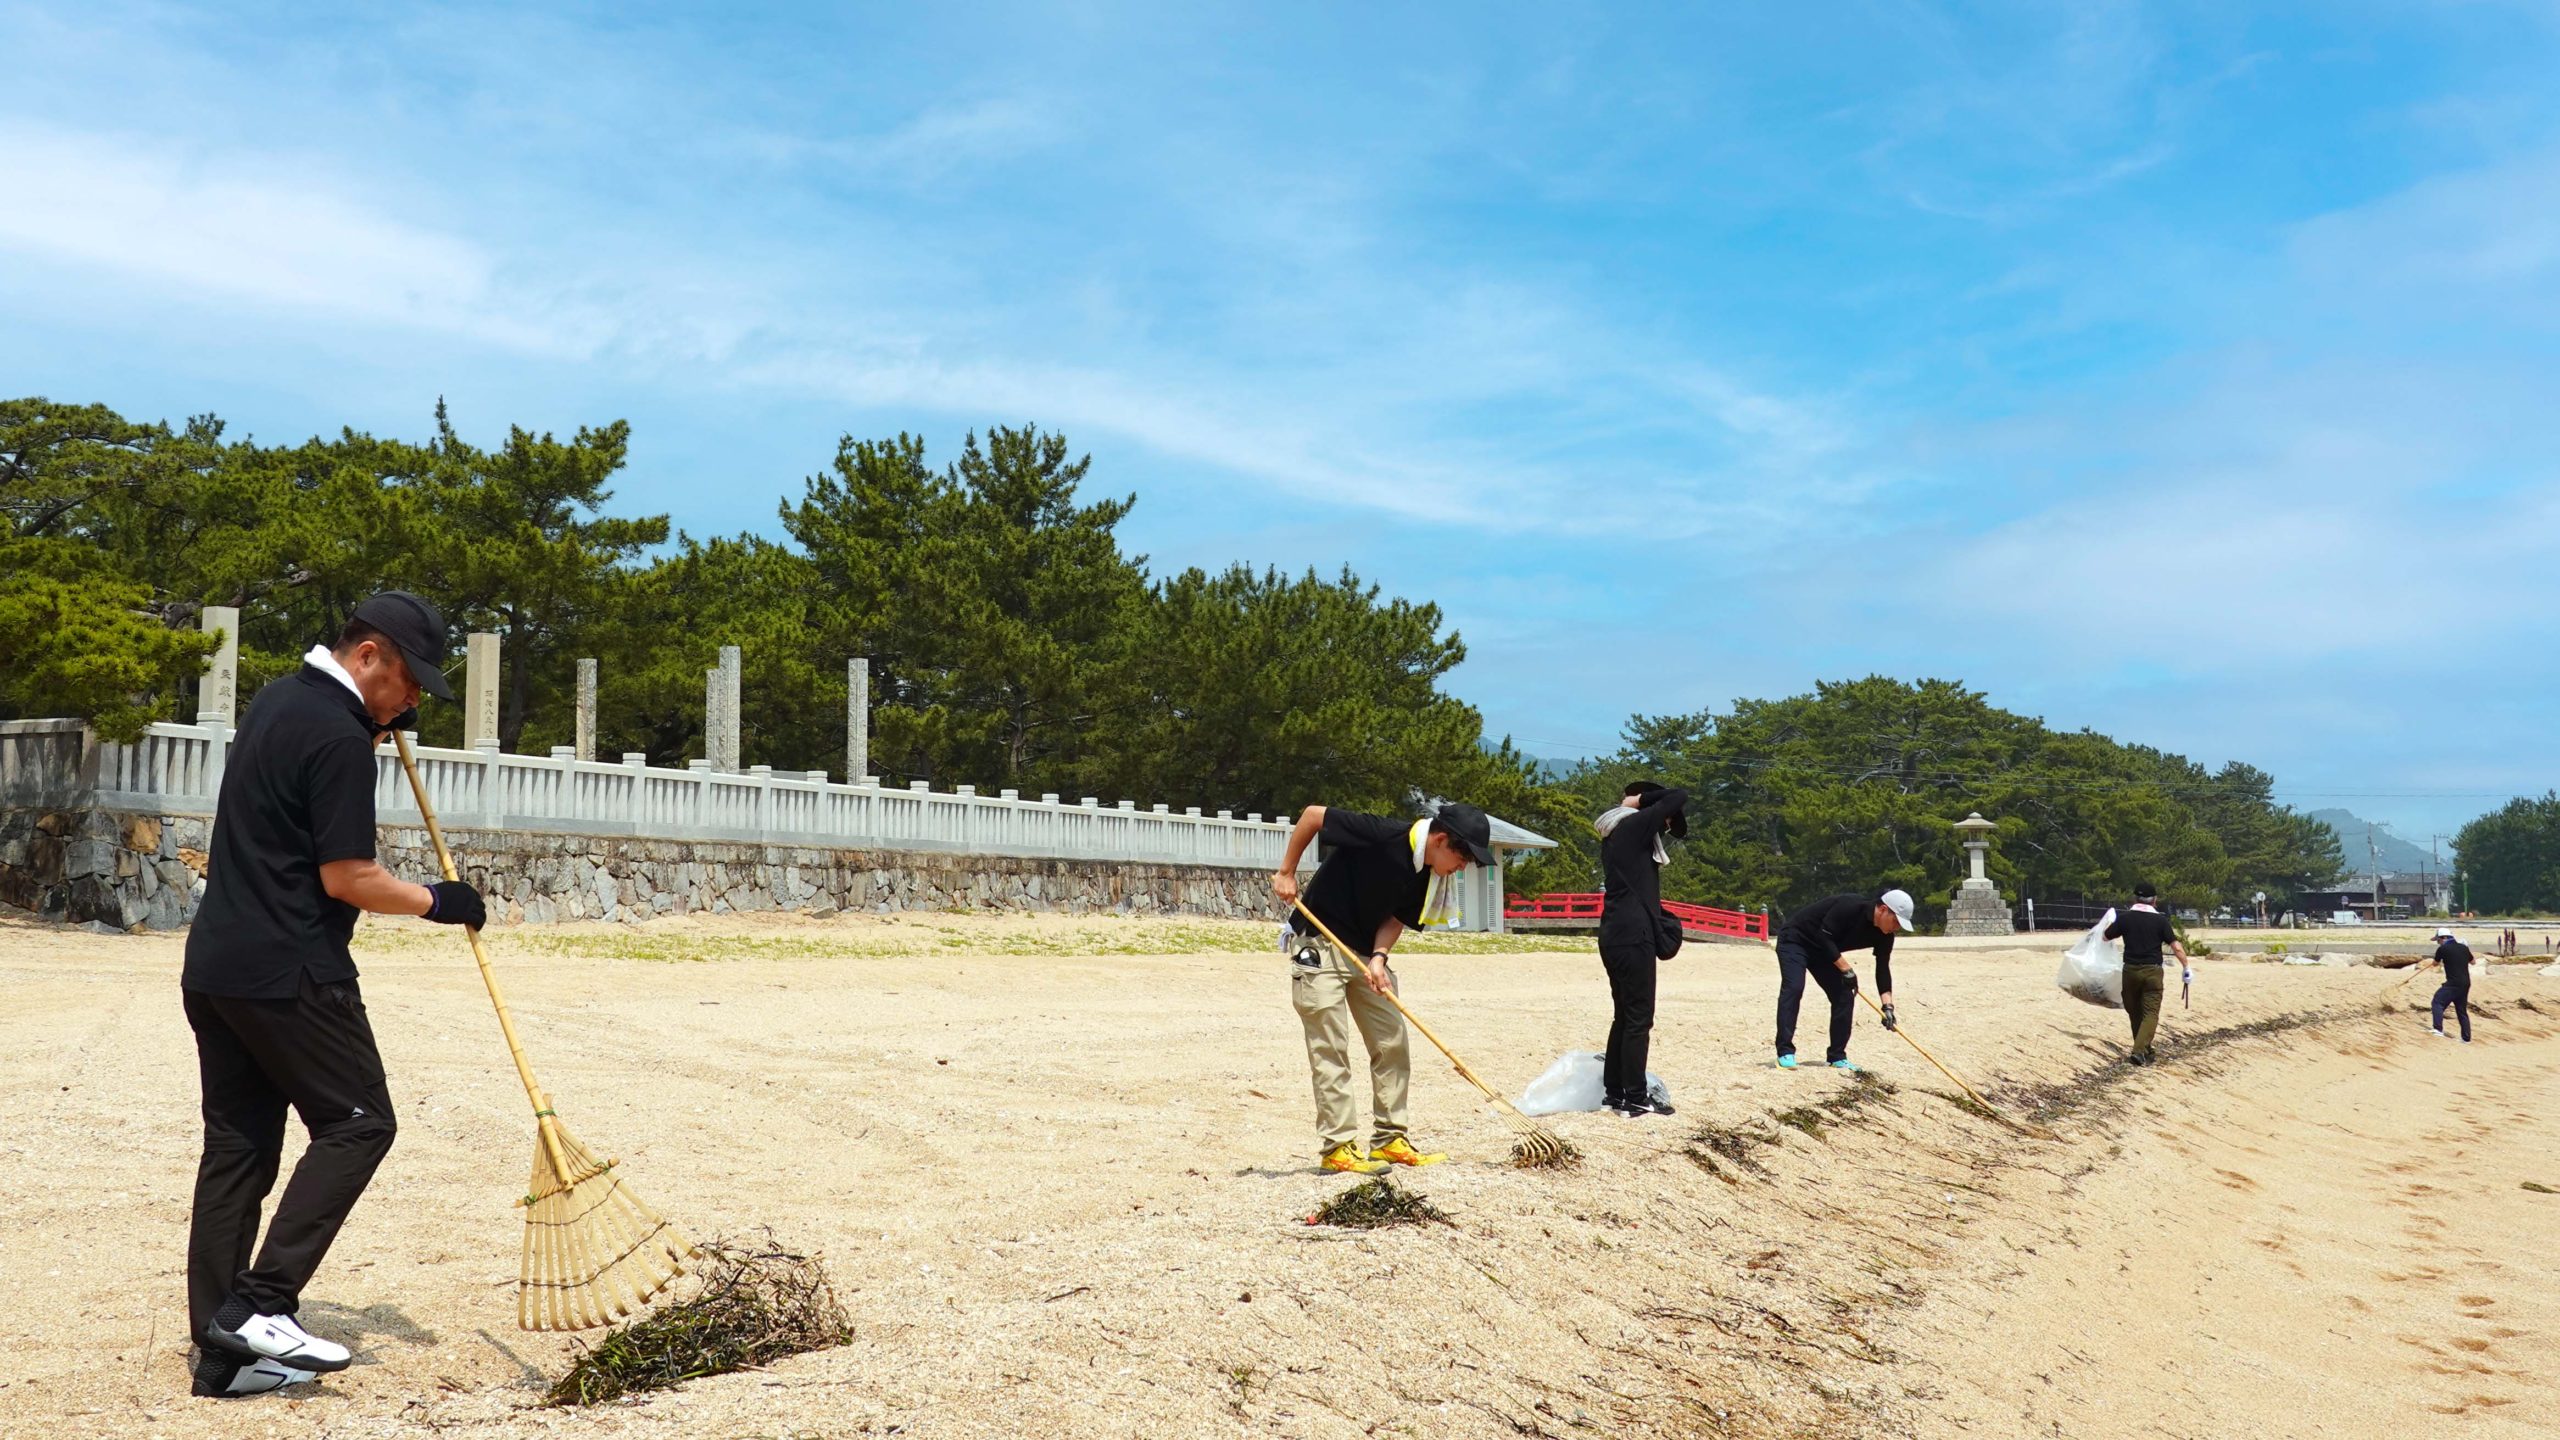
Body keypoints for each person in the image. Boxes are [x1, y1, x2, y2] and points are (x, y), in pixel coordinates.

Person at [180, 593, 487, 1398]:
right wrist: (441, 900)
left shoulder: (280, 701)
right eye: (412, 681)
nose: (416, 699)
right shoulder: (339, 737)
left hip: (217, 965)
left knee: (240, 1148)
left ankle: (223, 1357)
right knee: (359, 1124)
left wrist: (372, 733)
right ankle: (259, 1304)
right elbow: (347, 878)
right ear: (370, 655)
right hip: (292, 971)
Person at [1270, 801, 1496, 1173]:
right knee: (1331, 1045)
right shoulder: (1381, 833)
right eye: (1464, 857)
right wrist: (1286, 872)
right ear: (1440, 840)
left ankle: (1389, 1140)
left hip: (1362, 953)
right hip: (1319, 943)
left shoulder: (1427, 872)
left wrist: (1379, 957)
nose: (1464, 867)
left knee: (1391, 1040)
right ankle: (1338, 1148)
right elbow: (1312, 815)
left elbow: (1395, 918)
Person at [1594, 781, 1687, 1118]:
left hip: (1614, 932)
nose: (1666, 824)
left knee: (1625, 1016)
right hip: (1634, 935)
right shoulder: (1633, 825)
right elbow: (1679, 795)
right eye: (1664, 820)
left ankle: (1614, 1094)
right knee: (1638, 1019)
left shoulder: (1616, 832)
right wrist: (1640, 801)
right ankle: (1634, 1098)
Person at [1772, 889, 1915, 1071]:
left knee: (1844, 996)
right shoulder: (1850, 906)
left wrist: (1887, 1007)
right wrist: (1846, 969)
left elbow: (1883, 969)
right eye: (1896, 921)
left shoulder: (1885, 936)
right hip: (1795, 941)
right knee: (1794, 987)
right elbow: (1823, 936)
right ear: (1883, 909)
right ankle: (1785, 1051)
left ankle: (1837, 1056)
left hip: (1824, 953)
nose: (1896, 927)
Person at [2103, 883, 2191, 1065]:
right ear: (2155, 901)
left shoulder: (2125, 919)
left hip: (2130, 971)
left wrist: (2111, 921)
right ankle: (2139, 1050)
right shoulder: (2160, 921)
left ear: (2134, 899)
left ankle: (2145, 1050)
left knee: (2134, 1012)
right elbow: (2176, 946)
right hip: (2152, 972)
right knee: (2150, 1013)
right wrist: (2186, 967)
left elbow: (2105, 936)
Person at [2426, 926, 2474, 1043]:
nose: (2438, 942)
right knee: (2461, 1010)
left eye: (2438, 940)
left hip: (2453, 982)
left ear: (2444, 938)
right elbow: (2473, 962)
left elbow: (2435, 964)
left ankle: (2437, 1029)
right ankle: (2466, 1038)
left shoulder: (2443, 949)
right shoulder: (2463, 947)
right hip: (2465, 983)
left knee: (2437, 1002)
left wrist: (2439, 960)